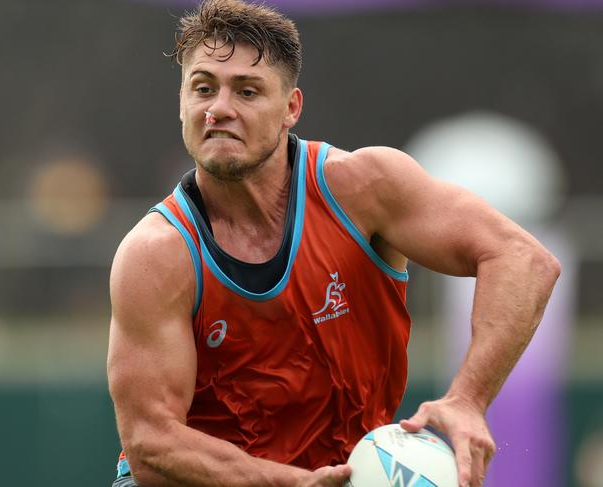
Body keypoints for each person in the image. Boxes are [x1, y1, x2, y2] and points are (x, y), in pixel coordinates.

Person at [107, 0, 561, 486]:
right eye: (203, 88)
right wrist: (291, 482)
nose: (220, 108)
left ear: (291, 109)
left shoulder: (363, 190)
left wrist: (468, 399)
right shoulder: (155, 254)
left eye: (247, 90)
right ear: (182, 104)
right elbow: (151, 447)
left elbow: (524, 259)